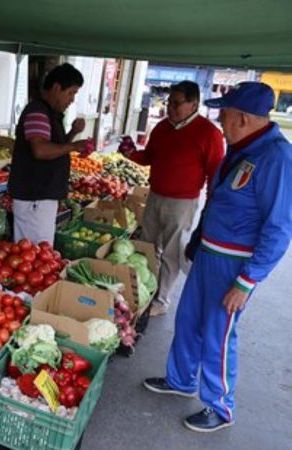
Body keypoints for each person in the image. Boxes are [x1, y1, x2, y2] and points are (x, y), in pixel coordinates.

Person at [143, 82, 292, 432]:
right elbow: (218, 198)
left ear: (242, 117)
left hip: (235, 264)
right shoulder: (238, 149)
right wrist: (198, 238)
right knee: (189, 320)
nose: (219, 120)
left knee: (219, 333)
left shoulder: (275, 158)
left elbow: (279, 229)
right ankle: (180, 380)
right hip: (210, 252)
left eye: (224, 114)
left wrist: (247, 281)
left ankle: (220, 406)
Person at [120, 81, 225, 316]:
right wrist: (130, 153)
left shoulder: (209, 133)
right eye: (169, 103)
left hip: (182, 203)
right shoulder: (161, 128)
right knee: (147, 247)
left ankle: (162, 299)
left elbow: (215, 174)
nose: (170, 108)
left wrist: (210, 207)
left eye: (177, 104)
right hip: (155, 195)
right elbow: (148, 157)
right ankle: (144, 290)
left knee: (171, 251)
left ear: (194, 104)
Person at [8, 63, 88, 245]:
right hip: (34, 198)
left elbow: (54, 148)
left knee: (36, 252)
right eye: (71, 93)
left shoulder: (50, 113)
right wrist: (73, 146)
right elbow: (41, 150)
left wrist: (73, 133)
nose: (72, 99)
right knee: (34, 251)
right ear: (57, 88)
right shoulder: (37, 112)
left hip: (40, 198)